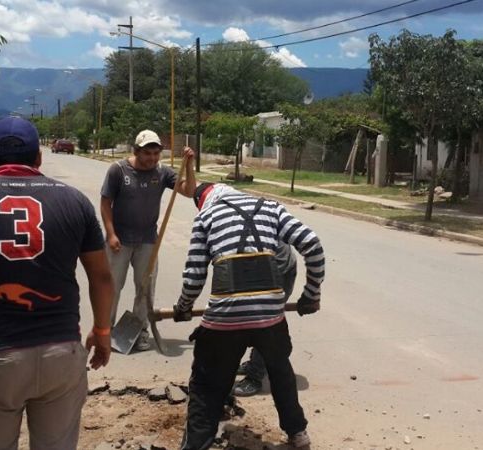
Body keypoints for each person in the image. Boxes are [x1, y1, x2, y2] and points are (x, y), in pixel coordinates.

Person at [0, 116, 114, 450]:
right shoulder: (75, 201)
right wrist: (102, 331)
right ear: (38, 158)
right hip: (61, 352)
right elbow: (101, 276)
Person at [174, 183, 325, 450]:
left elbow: (195, 276)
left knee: (205, 386)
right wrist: (311, 295)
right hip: (270, 317)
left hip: (225, 318)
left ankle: (196, 445)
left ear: (204, 200)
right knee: (280, 372)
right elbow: (312, 244)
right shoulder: (271, 208)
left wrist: (183, 306)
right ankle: (298, 434)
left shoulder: (205, 217)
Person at [100, 129, 195, 351]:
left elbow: (189, 191)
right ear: (136, 151)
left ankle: (140, 331)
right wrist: (111, 234)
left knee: (145, 289)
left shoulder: (162, 173)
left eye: (156, 153)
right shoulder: (118, 170)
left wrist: (189, 165)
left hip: (148, 241)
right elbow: (105, 203)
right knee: (112, 287)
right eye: (147, 153)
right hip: (119, 241)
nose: (152, 158)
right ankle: (105, 330)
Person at [232, 241, 297, 397]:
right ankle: (256, 362)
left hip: (278, 272)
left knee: (263, 324)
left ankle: (255, 376)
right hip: (260, 265)